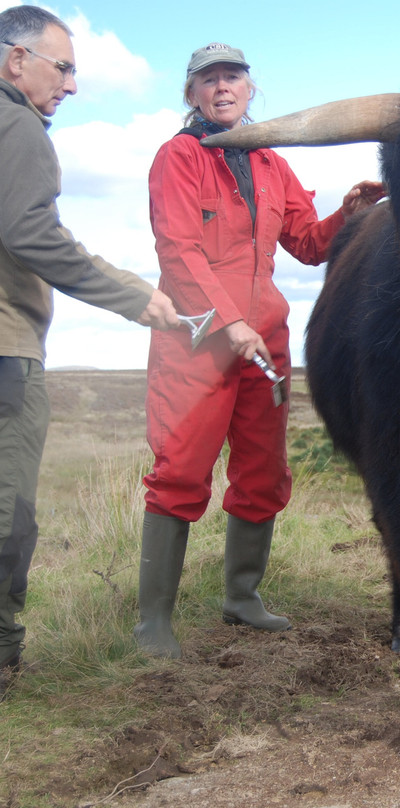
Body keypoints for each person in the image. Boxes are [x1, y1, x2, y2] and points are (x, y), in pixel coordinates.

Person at [135, 42, 384, 658]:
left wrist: (349, 214)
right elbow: (179, 250)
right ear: (191, 93)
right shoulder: (179, 156)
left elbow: (305, 241)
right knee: (181, 472)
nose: (223, 88)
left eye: (234, 78)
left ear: (251, 90)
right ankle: (153, 625)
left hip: (264, 341)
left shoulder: (272, 162)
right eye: (210, 80)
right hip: (197, 339)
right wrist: (228, 322)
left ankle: (242, 599)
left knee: (264, 471)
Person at [0, 6, 179, 699]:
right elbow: (32, 234)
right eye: (64, 66)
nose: (71, 85)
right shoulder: (16, 123)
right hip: (7, 355)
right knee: (9, 516)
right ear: (17, 61)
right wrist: (130, 295)